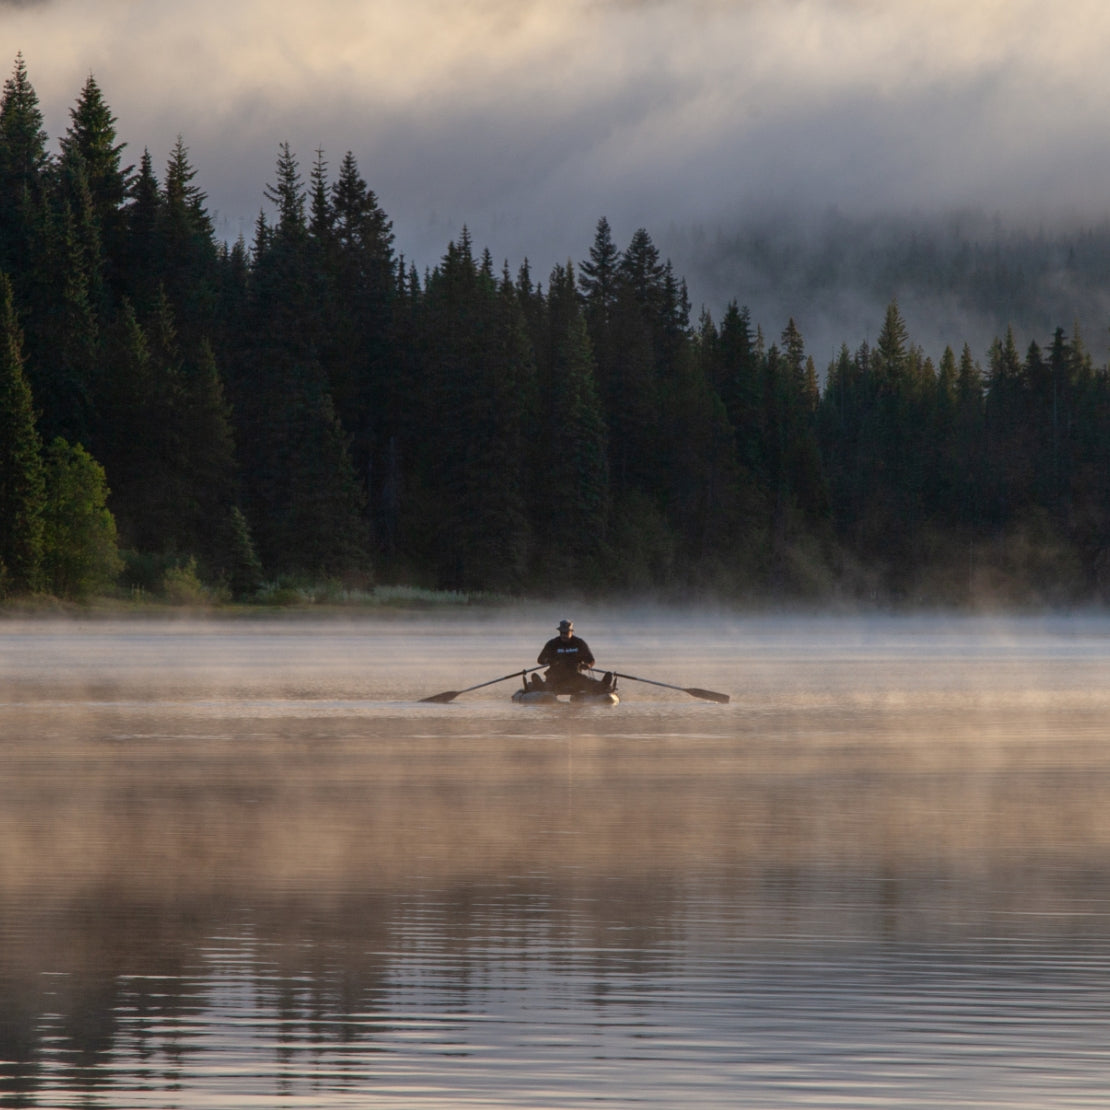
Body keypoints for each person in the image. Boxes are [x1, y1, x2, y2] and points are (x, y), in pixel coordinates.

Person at [531, 619, 614, 695]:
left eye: (566, 633)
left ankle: (603, 685)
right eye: (561, 633)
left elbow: (591, 660)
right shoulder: (552, 643)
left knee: (589, 683)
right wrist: (549, 661)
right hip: (555, 676)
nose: (563, 635)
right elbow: (540, 660)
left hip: (574, 675)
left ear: (571, 632)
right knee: (548, 686)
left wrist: (588, 665)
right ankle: (540, 686)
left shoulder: (579, 643)